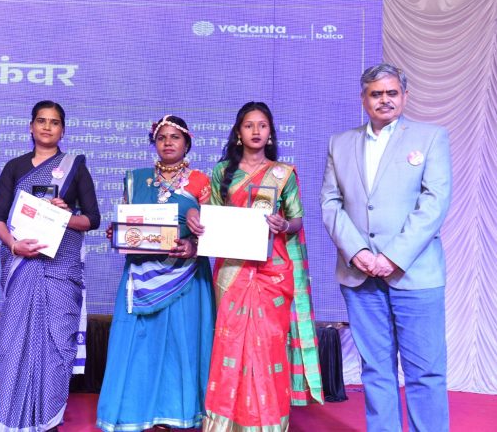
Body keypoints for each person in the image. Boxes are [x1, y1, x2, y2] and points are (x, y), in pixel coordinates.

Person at [320, 63, 452, 431]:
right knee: (375, 370)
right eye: (376, 94)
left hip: (415, 273)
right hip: (360, 275)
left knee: (425, 370)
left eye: (392, 93)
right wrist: (359, 253)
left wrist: (393, 257)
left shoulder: (431, 137)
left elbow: (435, 203)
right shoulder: (340, 143)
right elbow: (330, 203)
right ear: (363, 99)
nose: (384, 100)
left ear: (404, 96)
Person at [188, 101, 323, 431]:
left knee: (269, 347)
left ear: (270, 132)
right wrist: (196, 217)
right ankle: (226, 424)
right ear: (239, 132)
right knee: (230, 343)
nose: (256, 131)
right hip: (232, 271)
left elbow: (297, 219)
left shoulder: (283, 173)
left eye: (263, 125)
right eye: (249, 125)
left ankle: (268, 424)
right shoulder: (222, 172)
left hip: (271, 271)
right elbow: (212, 216)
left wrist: (283, 224)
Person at [96, 115, 215, 431]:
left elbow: (215, 231)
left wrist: (193, 245)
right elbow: (127, 224)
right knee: (140, 345)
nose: (168, 143)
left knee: (181, 345)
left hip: (186, 275)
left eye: (175, 137)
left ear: (187, 143)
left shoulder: (201, 182)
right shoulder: (136, 180)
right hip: (140, 274)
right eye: (161, 137)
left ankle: (177, 413)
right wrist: (117, 232)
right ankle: (138, 414)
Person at [0, 100, 101, 431]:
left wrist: (64, 215)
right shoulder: (14, 167)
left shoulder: (75, 167)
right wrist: (14, 245)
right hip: (22, 265)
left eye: (54, 122)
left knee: (57, 345)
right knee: (12, 344)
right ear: (31, 126)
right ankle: (10, 423)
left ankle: (49, 421)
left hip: (59, 271)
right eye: (41, 121)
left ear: (62, 130)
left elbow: (92, 219)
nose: (47, 127)